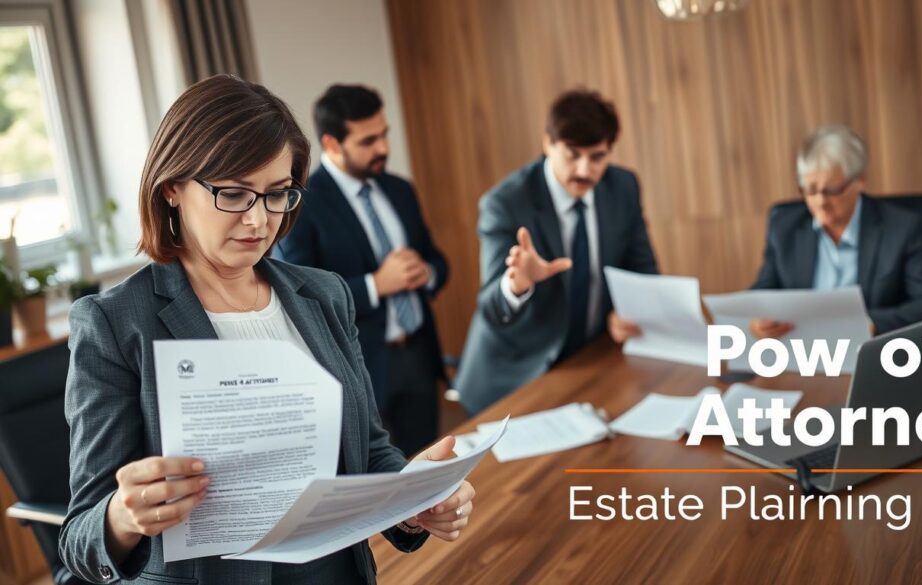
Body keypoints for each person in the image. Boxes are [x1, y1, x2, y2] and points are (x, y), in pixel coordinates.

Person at [59, 75, 474, 585]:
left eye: (278, 194)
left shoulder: (324, 295)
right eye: (234, 194)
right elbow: (79, 536)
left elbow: (366, 449)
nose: (259, 221)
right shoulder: (115, 322)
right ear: (172, 189)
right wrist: (123, 516)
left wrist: (412, 497)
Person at [456, 89, 659, 416]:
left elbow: (643, 270)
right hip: (515, 376)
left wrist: (627, 311)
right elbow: (492, 309)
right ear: (548, 143)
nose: (584, 170)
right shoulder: (505, 202)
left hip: (590, 360)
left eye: (597, 157)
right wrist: (517, 284)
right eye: (572, 154)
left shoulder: (622, 187)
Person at [276, 84, 447, 456]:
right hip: (358, 367)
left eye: (384, 135)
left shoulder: (400, 190)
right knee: (375, 484)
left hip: (418, 353)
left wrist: (426, 273)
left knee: (428, 471)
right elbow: (300, 297)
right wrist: (376, 285)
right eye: (369, 141)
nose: (384, 148)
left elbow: (438, 261)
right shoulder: (300, 204)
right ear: (332, 144)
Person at [750, 125, 922, 337]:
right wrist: (756, 320)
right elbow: (760, 296)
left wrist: (871, 323)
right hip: (801, 353)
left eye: (832, 190)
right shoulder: (784, 227)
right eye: (810, 190)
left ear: (860, 181)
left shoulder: (900, 227)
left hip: (869, 352)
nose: (820, 201)